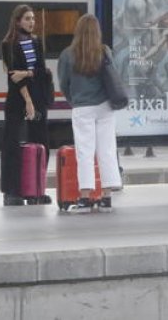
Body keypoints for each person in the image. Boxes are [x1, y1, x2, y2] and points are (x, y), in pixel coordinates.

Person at [57, 15, 125, 214]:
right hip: (105, 107)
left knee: (85, 153)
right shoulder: (104, 51)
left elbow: (64, 84)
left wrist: (75, 101)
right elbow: (113, 77)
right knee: (107, 151)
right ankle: (106, 197)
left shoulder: (68, 55)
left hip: (82, 108)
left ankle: (85, 198)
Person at [0, 4, 52, 206]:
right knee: (12, 143)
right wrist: (28, 100)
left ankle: (36, 188)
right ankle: (11, 191)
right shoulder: (8, 44)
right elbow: (14, 75)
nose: (32, 22)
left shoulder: (36, 42)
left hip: (38, 97)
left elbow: (42, 71)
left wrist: (28, 73)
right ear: (18, 21)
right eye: (27, 18)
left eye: (33, 19)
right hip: (17, 100)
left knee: (42, 142)